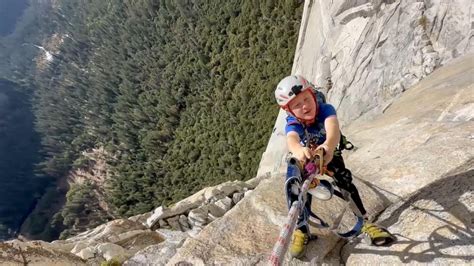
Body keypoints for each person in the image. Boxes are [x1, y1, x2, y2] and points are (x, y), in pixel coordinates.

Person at [274, 75, 394, 258]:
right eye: (297, 105)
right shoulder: (294, 122)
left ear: (313, 96)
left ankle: (364, 221)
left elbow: (332, 130)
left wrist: (328, 148)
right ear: (289, 111)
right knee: (299, 189)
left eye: (306, 99)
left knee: (345, 181)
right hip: (308, 156)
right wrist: (298, 150)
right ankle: (301, 228)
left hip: (328, 152)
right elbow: (292, 138)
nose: (305, 106)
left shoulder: (325, 110)